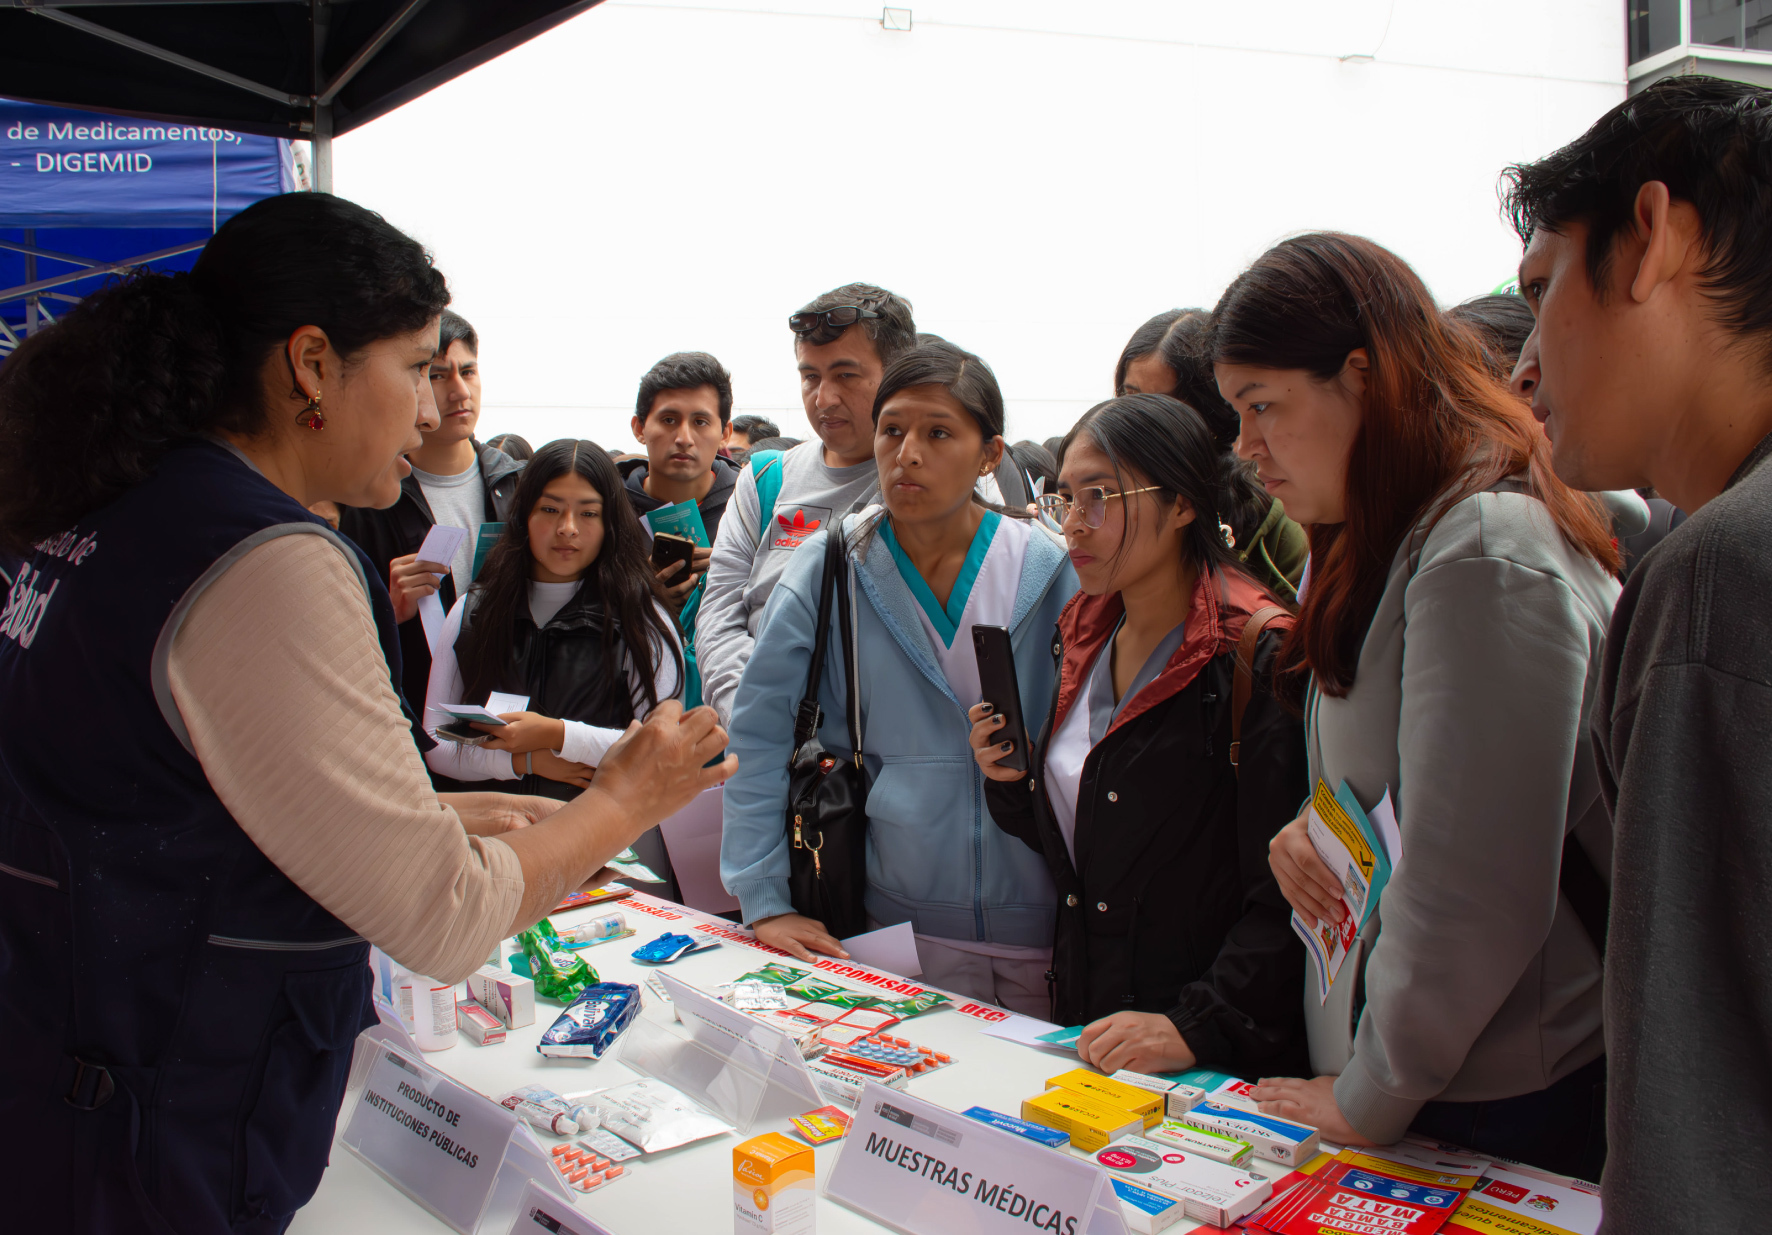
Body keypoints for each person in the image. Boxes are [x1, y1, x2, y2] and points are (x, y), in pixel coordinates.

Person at [0, 192, 731, 1234]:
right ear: (310, 364)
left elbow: (171, 797)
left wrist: (420, 818)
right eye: (416, 366)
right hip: (160, 1122)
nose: (432, 410)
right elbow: (443, 916)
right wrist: (624, 795)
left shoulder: (103, 505)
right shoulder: (265, 555)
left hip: (74, 1076)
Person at [1214, 233, 1619, 1181]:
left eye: (1262, 406)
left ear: (1362, 376)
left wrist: (1371, 1092)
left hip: (1500, 1095)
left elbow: (1474, 883)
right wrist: (1310, 828)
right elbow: (1394, 782)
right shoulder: (1393, 534)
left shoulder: (1482, 549)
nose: (1247, 448)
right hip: (1427, 1079)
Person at [1502, 75, 1772, 1228]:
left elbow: (1695, 1080)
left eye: (1540, 286)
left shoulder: (1721, 570)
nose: (1521, 366)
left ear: (1651, 237)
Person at [721, 340, 1075, 1015]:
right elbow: (759, 735)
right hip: (887, 929)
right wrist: (763, 898)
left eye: (938, 432)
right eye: (893, 429)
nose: (906, 452)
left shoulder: (1051, 571)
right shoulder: (831, 570)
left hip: (1046, 928)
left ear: (990, 454)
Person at [969, 393, 1308, 1075]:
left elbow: (1288, 896)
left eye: (1101, 496)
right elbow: (1091, 844)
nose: (1074, 525)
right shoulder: (1087, 630)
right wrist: (1012, 783)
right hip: (1095, 1026)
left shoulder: (1256, 653)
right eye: (1065, 497)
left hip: (1207, 1055)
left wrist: (1195, 1024)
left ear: (1183, 502)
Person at [424, 438, 687, 899]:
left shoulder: (641, 615)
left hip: (611, 859)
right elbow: (437, 740)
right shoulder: (472, 610)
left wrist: (558, 735)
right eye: (550, 510)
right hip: (497, 857)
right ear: (524, 515)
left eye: (588, 513)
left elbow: (659, 750)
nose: (567, 529)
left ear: (610, 523)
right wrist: (522, 760)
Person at [696, 283, 917, 726]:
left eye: (846, 375)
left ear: (897, 374)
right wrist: (753, 719)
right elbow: (720, 610)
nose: (824, 398)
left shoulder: (931, 484)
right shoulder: (763, 480)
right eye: (810, 377)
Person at [337, 309, 523, 722]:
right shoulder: (369, 496)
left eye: (469, 371)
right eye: (438, 375)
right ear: (413, 381)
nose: (460, 392)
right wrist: (383, 608)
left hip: (514, 713)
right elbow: (340, 638)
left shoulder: (520, 486)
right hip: (411, 714)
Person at [1115, 309, 1308, 599]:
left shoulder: (1271, 515)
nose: (1140, 420)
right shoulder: (1109, 497)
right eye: (1131, 398)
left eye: (1163, 406)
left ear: (1211, 412)